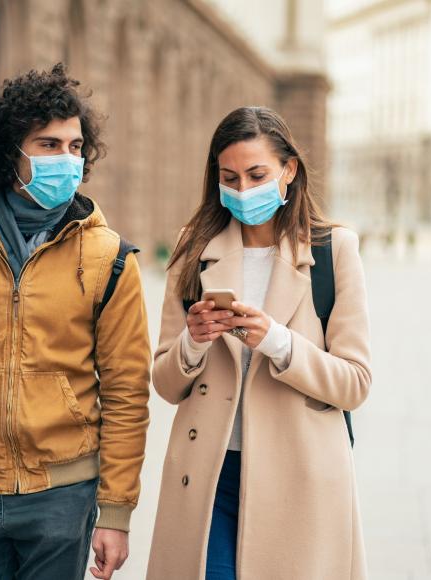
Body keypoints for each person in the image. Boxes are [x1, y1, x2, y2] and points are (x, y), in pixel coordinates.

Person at [0, 64, 151, 580]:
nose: (66, 159)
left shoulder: (110, 258)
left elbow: (126, 392)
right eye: (48, 145)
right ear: (11, 154)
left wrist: (115, 513)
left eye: (75, 147)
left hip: (62, 499)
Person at [147, 106, 372, 580]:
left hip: (299, 480)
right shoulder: (194, 248)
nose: (243, 191)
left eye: (257, 174)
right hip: (211, 477)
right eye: (230, 178)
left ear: (289, 170)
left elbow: (355, 383)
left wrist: (278, 342)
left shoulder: (334, 250)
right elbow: (166, 383)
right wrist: (193, 341)